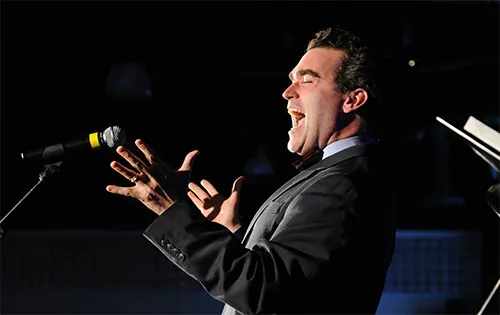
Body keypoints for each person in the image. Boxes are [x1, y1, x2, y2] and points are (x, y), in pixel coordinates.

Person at [106, 26, 396, 314]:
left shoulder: (342, 184)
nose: (287, 92)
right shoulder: (337, 177)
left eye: (306, 80)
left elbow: (264, 288)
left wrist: (172, 211)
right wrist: (235, 234)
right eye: (291, 80)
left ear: (352, 100)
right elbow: (289, 280)